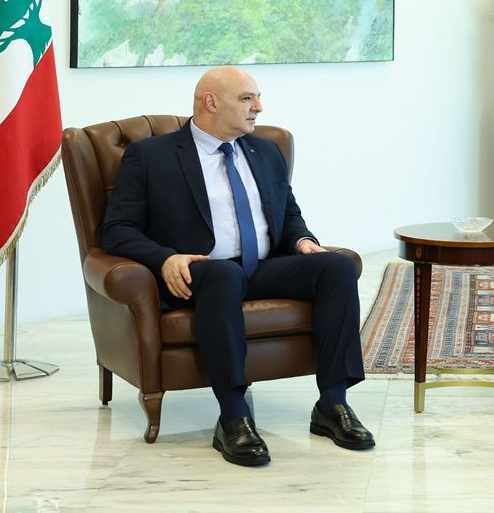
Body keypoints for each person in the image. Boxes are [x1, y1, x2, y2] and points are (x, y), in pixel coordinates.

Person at [102, 66, 373, 466]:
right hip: (199, 273)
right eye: (247, 98)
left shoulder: (265, 150)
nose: (258, 107)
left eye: (258, 98)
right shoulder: (151, 156)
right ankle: (233, 416)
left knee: (336, 268)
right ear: (210, 102)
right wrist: (166, 258)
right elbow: (117, 230)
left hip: (260, 267)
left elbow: (288, 213)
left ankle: (333, 404)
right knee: (224, 274)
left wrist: (302, 241)